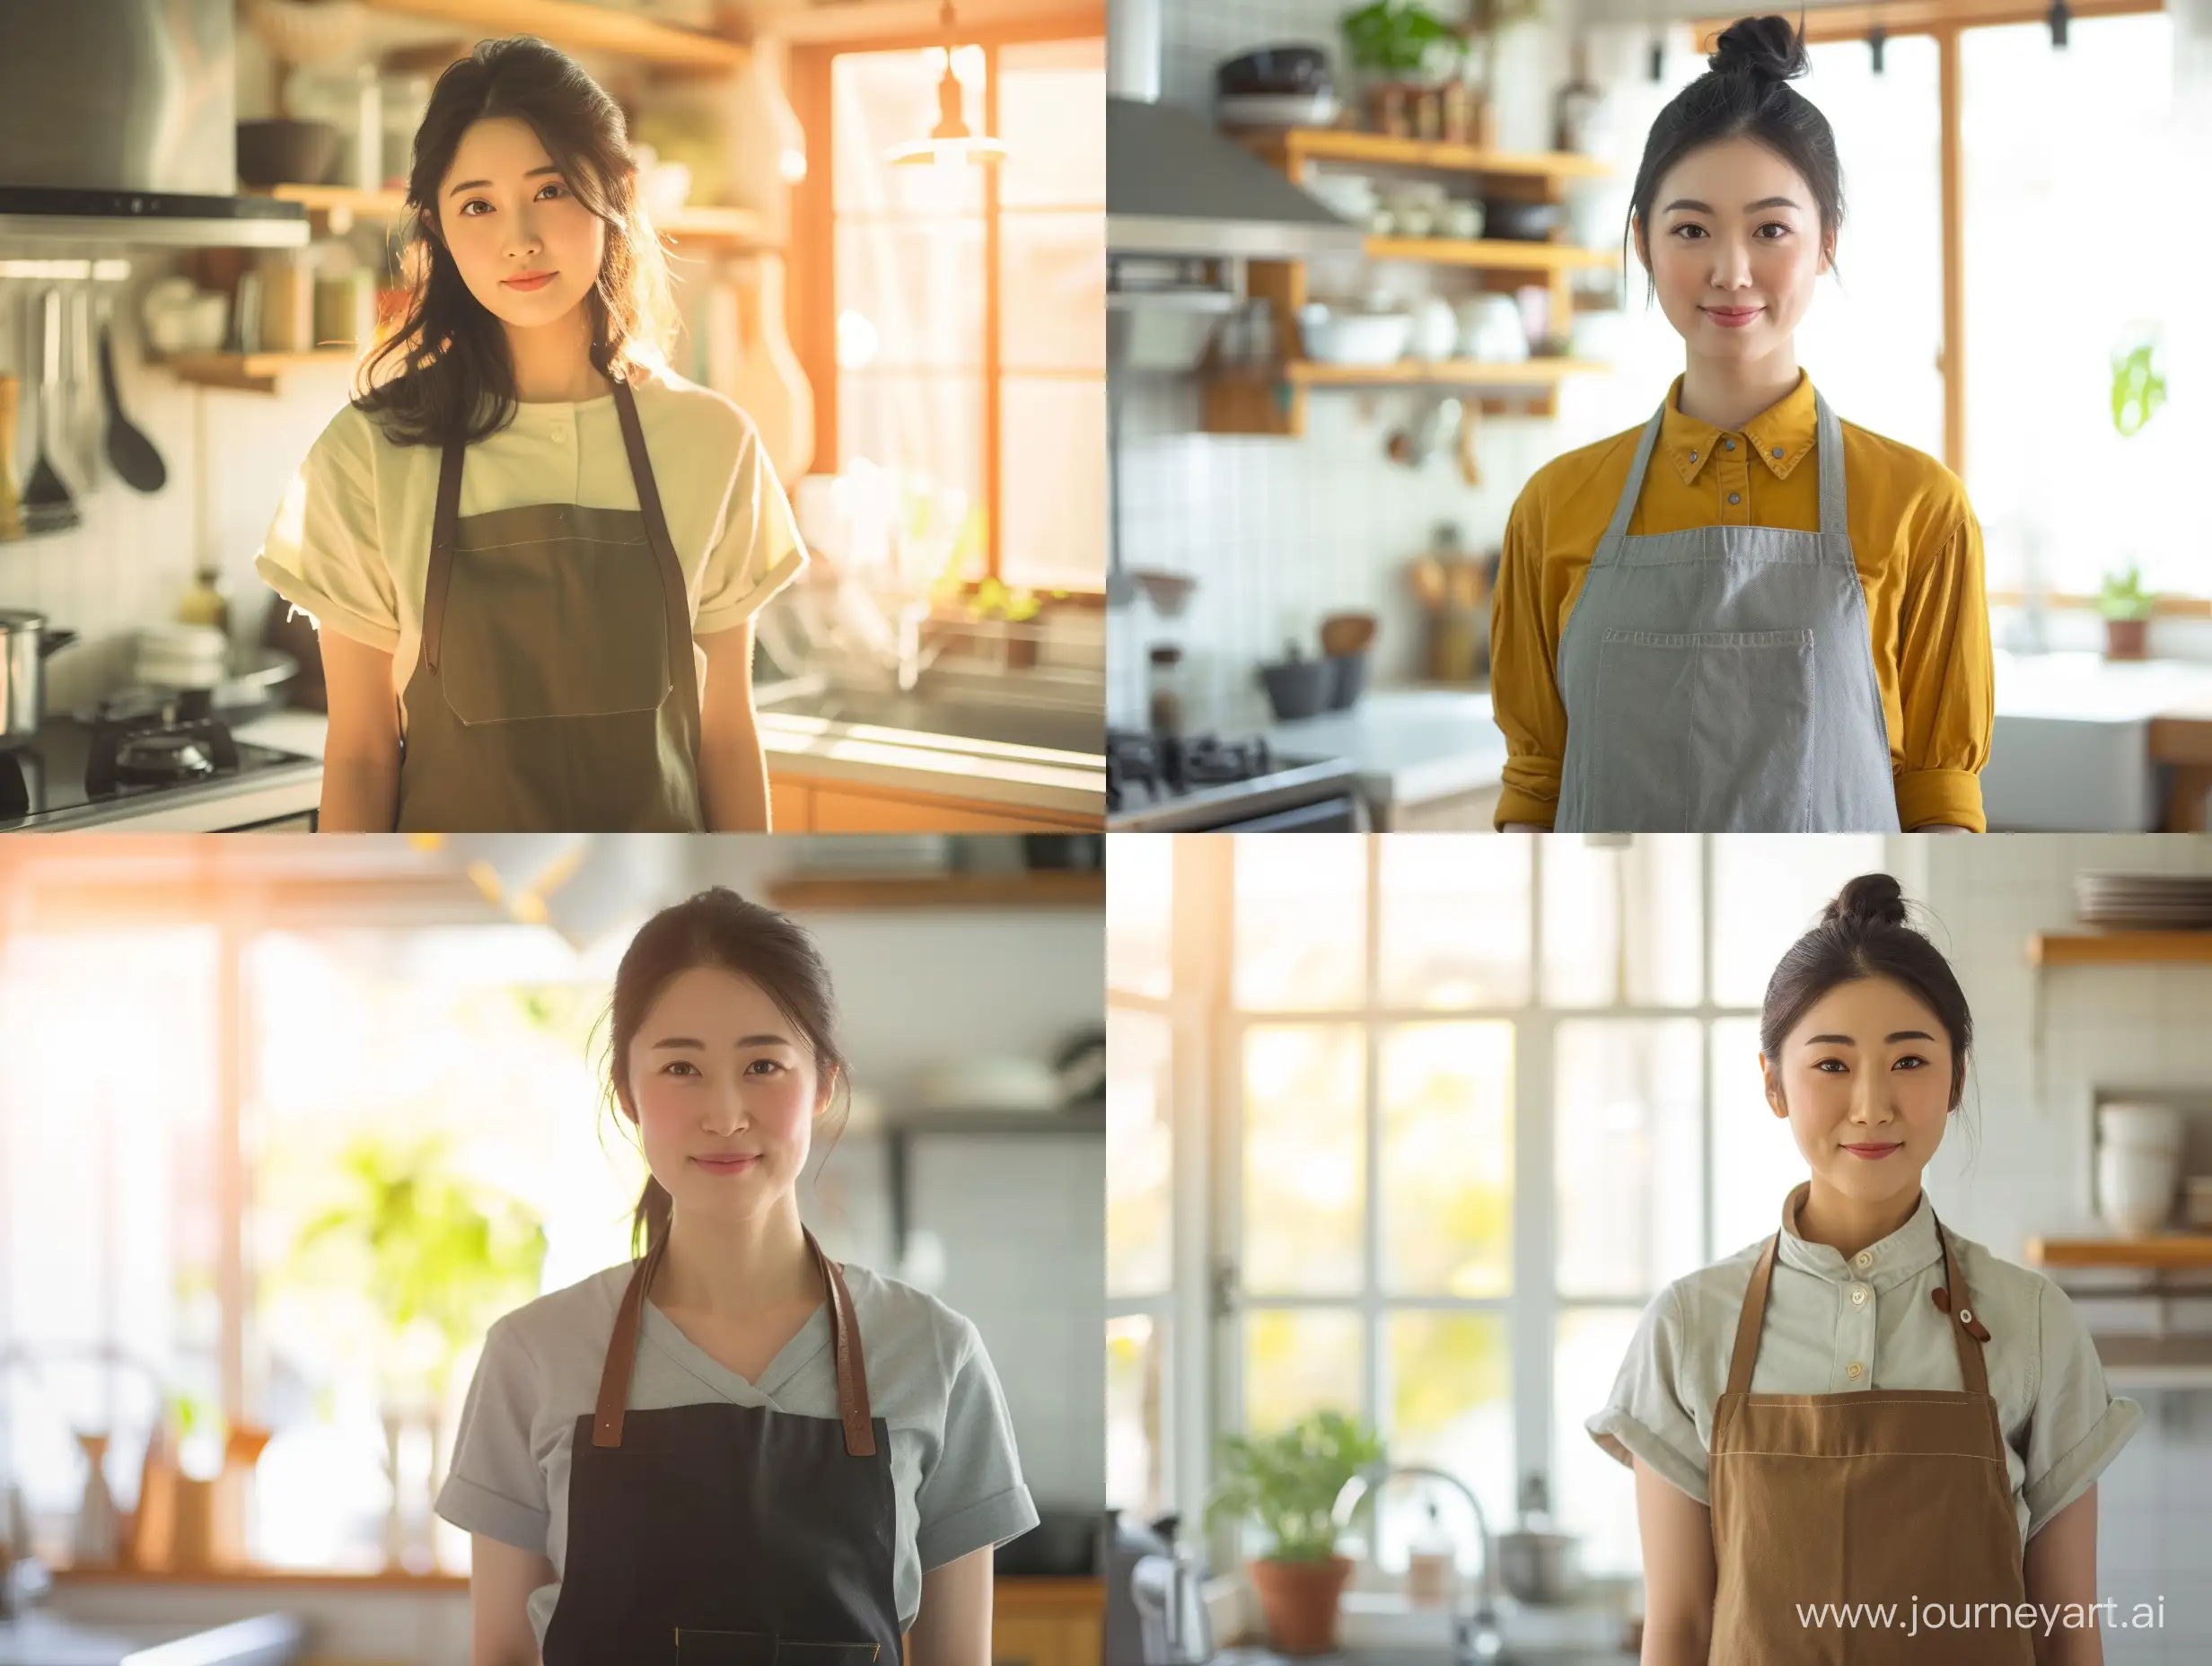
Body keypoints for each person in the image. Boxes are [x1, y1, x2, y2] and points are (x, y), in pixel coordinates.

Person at [435, 888, 1037, 1665]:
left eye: (763, 1065)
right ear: (628, 1093)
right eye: (681, 1066)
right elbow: (504, 1659)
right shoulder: (532, 1354)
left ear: (821, 1086)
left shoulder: (935, 1353)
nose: (724, 1113)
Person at [256, 38, 805, 833]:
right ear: (438, 229)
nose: (518, 238)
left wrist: (744, 917)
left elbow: (724, 737)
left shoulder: (714, 444)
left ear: (613, 192)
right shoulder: (366, 455)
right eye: (476, 204)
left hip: (662, 922)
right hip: (443, 929)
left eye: (549, 191)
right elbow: (363, 753)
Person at [1587, 874, 2137, 1664]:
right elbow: (1676, 1631)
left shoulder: (2036, 1321)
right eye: (1833, 1066)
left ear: (1955, 1079)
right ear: (1774, 1083)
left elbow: (2068, 1636)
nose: (1873, 1104)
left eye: (1910, 1061)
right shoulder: (1686, 1326)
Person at [1490, 15, 1991, 834]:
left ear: (1825, 241)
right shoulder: (1552, 507)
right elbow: (1537, 786)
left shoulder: (1920, 508)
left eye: (1771, 230)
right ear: (1644, 245)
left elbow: (1939, 799)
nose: (1730, 271)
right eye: (1691, 229)